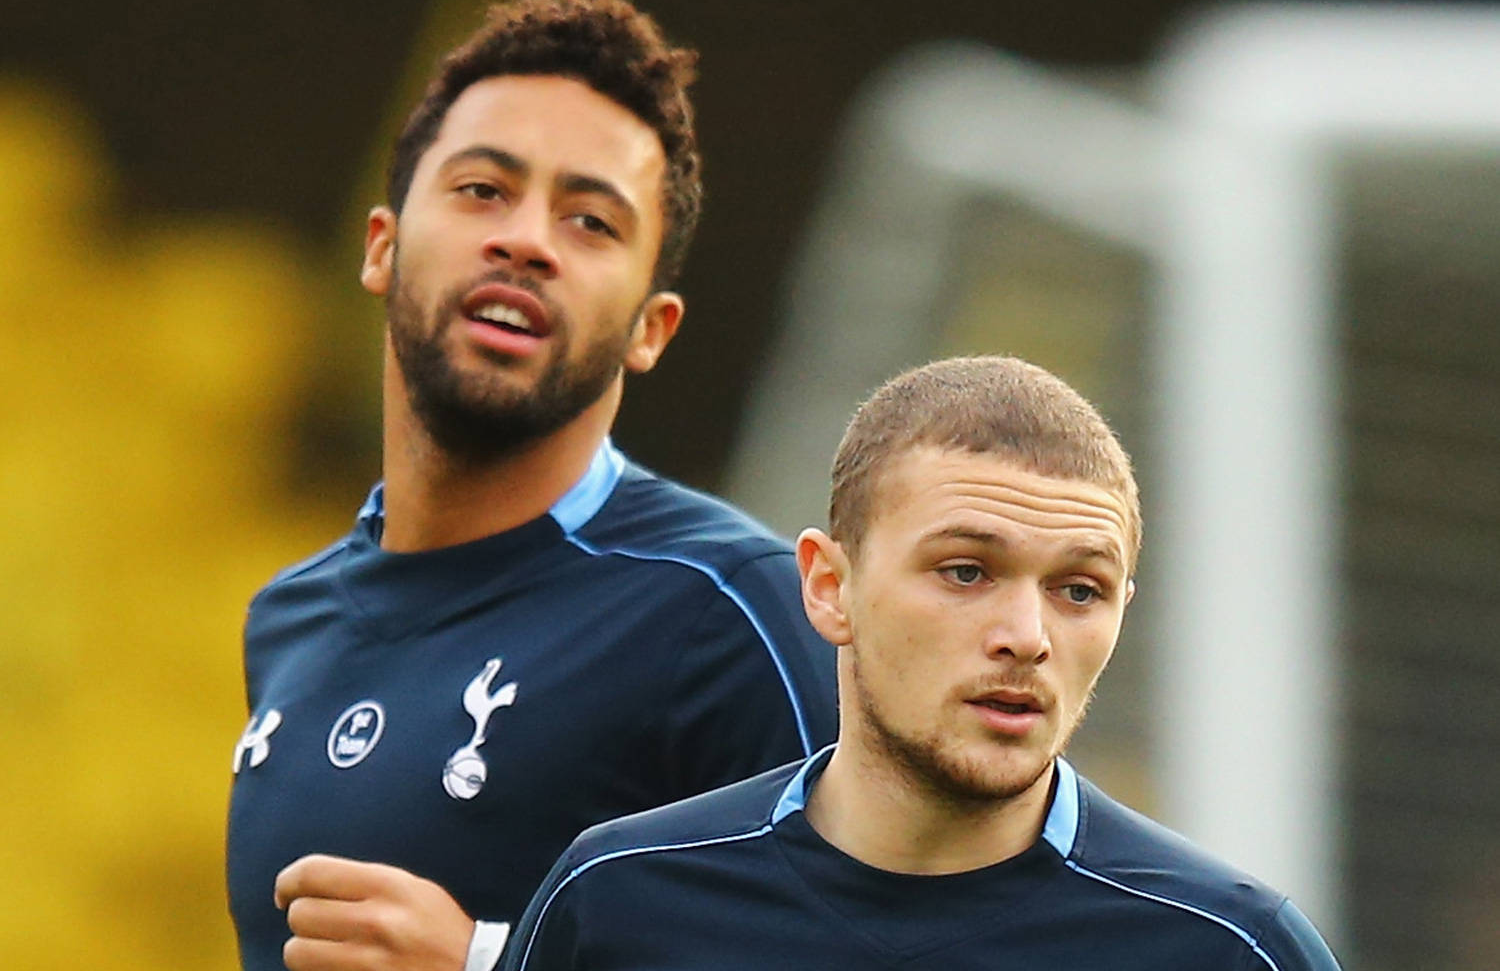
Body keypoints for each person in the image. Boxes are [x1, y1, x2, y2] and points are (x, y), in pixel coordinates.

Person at [226, 0, 837, 971]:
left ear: (652, 328)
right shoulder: (290, 617)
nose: (526, 240)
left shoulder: (735, 617)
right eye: (482, 190)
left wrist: (494, 963)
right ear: (381, 245)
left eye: (591, 220)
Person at [502, 355, 1343, 971]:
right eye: (966, 571)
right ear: (831, 588)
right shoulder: (619, 900)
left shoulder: (1227, 949)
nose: (1027, 634)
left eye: (1079, 589)